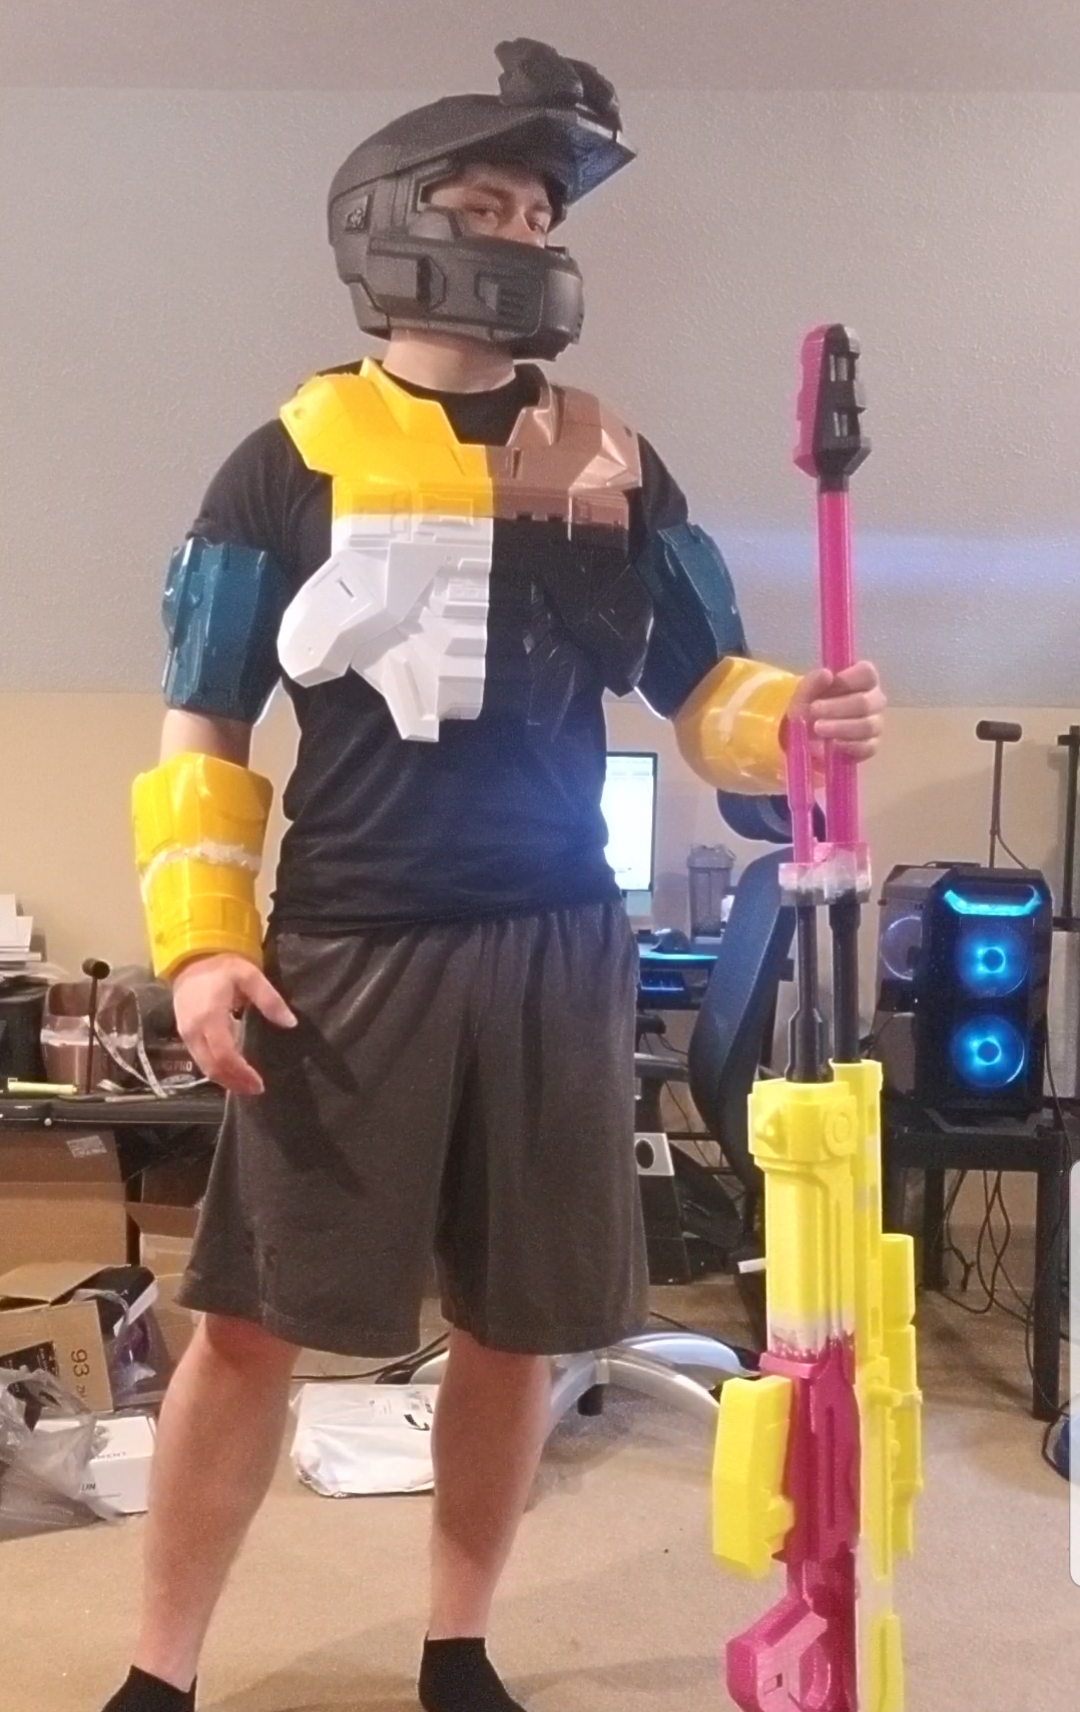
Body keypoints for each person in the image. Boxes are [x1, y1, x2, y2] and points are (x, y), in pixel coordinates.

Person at [109, 38, 885, 1712]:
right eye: (488, 204)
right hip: (349, 943)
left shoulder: (604, 459)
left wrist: (795, 723)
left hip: (556, 936)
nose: (524, 236)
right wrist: (200, 945)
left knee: (520, 1321)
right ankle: (159, 1673)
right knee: (251, 1323)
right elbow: (205, 725)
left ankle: (458, 1647)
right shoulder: (288, 457)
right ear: (393, 222)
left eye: (542, 213)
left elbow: (704, 691)